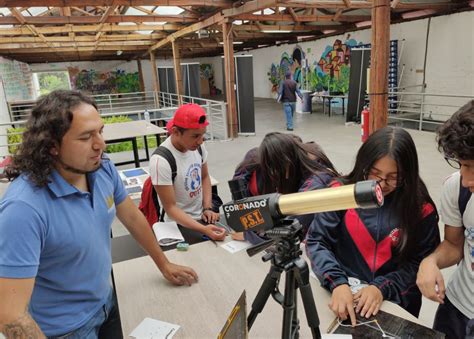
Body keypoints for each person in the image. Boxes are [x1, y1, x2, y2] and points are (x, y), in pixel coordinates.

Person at [0, 90, 198, 338]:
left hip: (107, 303)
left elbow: (133, 218)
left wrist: (164, 264)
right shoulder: (23, 209)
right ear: (51, 146)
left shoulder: (101, 168)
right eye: (85, 137)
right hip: (67, 330)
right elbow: (10, 315)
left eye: (100, 132)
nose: (100, 144)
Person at [306, 127, 440, 326]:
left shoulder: (421, 209)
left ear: (408, 174)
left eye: (393, 177)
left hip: (395, 302)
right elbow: (317, 240)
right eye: (374, 173)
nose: (382, 184)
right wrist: (337, 282)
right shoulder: (341, 193)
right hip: (341, 298)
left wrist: (381, 288)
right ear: (363, 164)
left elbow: (419, 263)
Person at [416, 100, 474, 338]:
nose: (466, 178)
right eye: (461, 164)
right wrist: (430, 262)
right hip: (457, 310)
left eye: (471, 166)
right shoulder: (456, 189)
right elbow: (454, 244)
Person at [231, 132, 339, 243]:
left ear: (286, 163)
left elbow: (288, 231)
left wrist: (247, 235)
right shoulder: (270, 154)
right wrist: (242, 211)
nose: (274, 175)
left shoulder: (317, 181)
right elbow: (241, 176)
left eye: (274, 170)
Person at [150, 103, 226, 241]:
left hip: (201, 219)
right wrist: (203, 229)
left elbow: (204, 177)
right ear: (176, 131)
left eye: (203, 135)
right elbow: (171, 208)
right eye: (195, 136)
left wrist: (207, 208)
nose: (200, 141)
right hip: (175, 226)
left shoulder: (198, 147)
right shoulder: (161, 161)